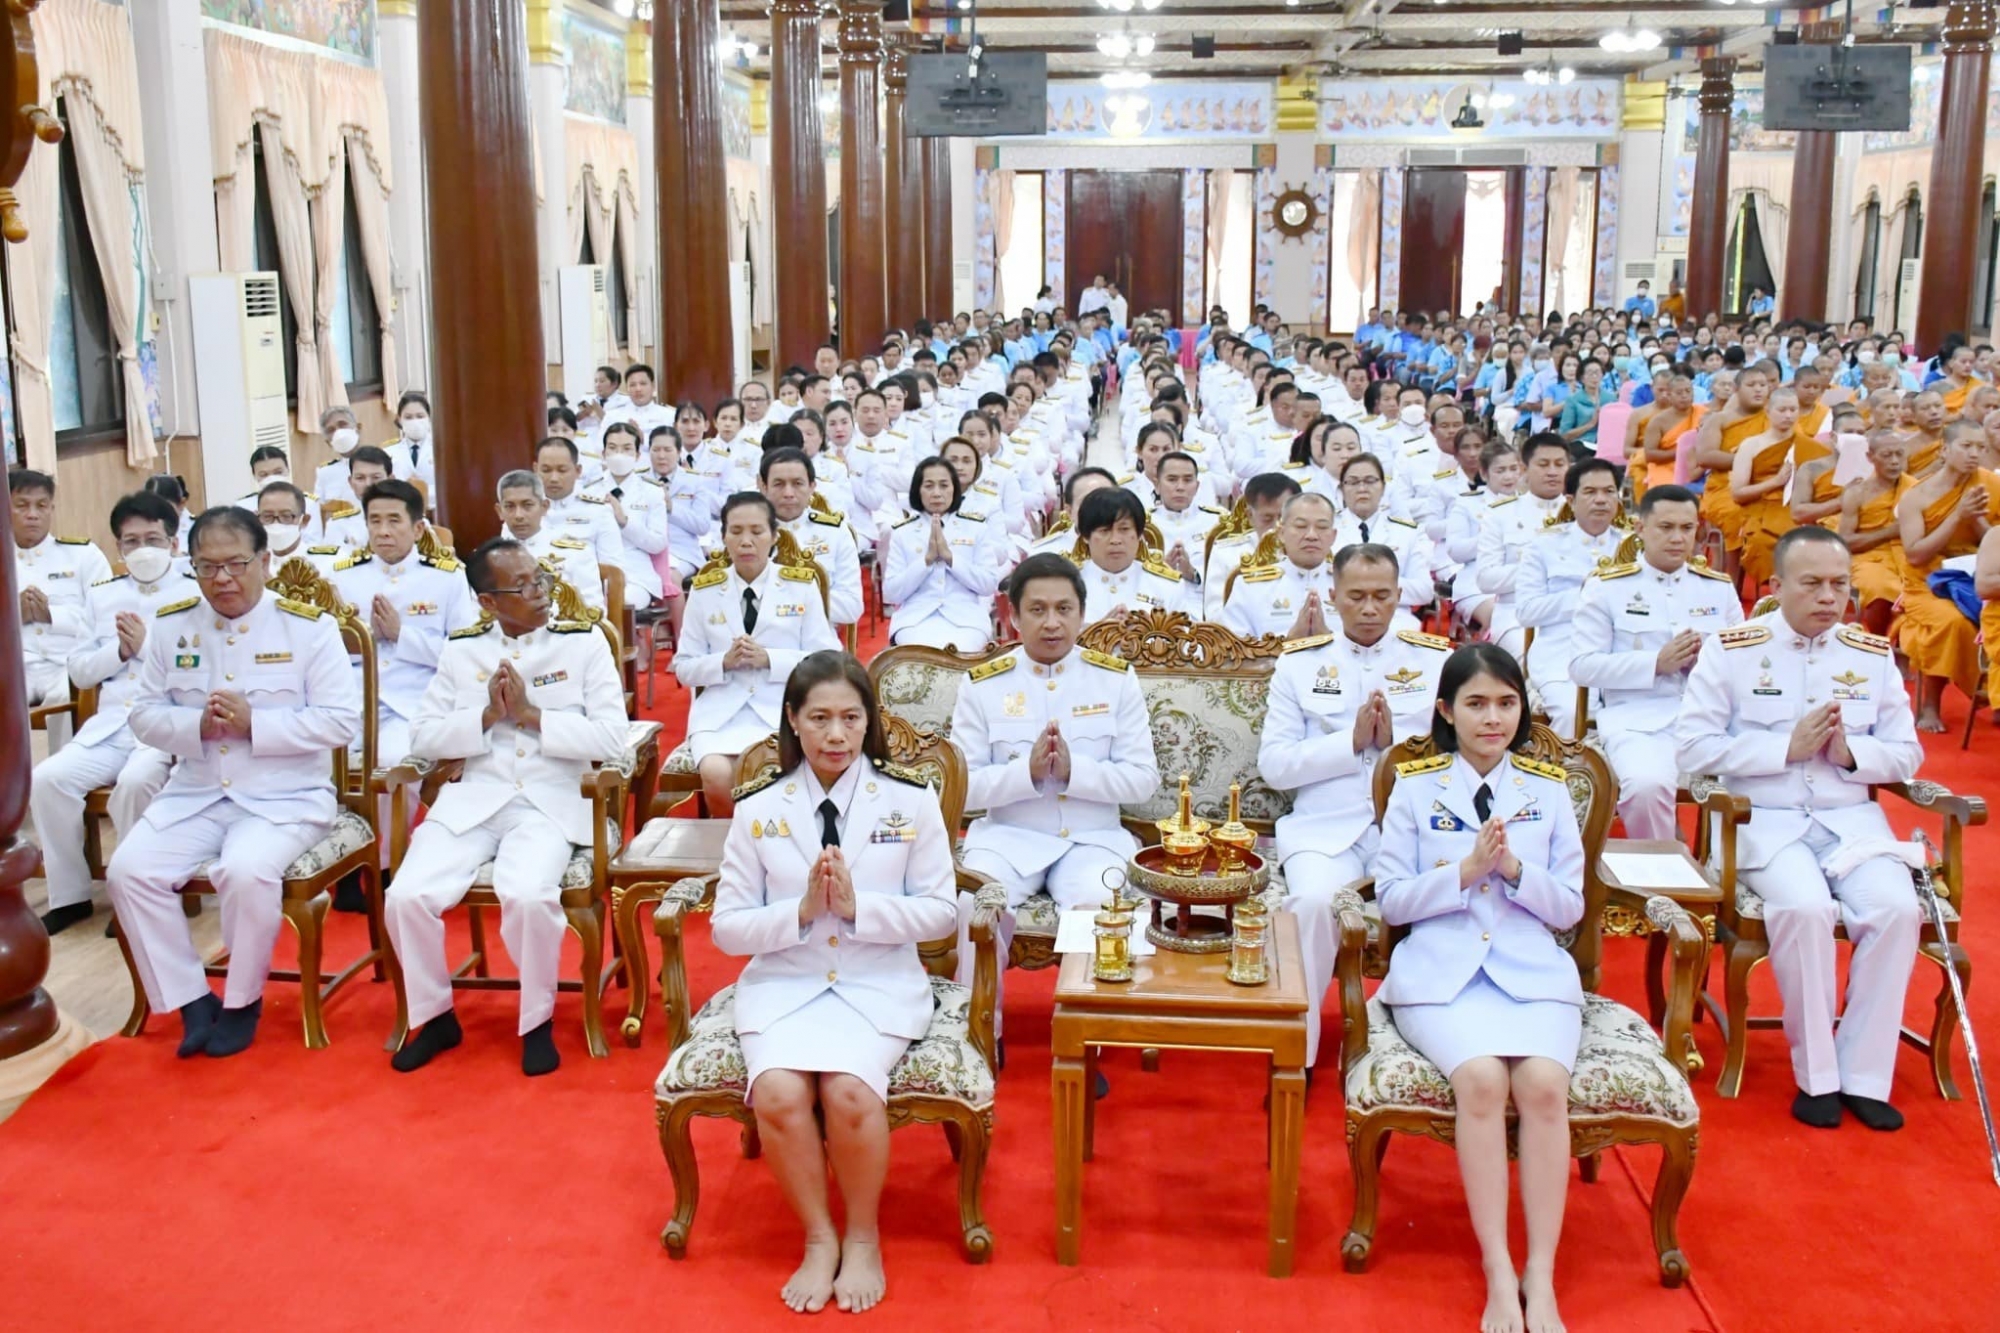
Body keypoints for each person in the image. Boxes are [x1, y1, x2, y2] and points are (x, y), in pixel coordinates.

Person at [715, 651, 959, 1315]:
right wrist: (797, 913)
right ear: (793, 721)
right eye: (819, 717)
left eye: (851, 717)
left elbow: (942, 911)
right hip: (786, 983)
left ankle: (862, 1233)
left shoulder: (910, 801)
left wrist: (859, 909)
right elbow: (728, 928)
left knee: (850, 1090)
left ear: (868, 722)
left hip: (876, 981)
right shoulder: (758, 809)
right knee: (778, 1091)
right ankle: (819, 1235)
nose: (835, 734)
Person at [1676, 525, 1923, 1130]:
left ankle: (1864, 1075)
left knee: (1897, 910)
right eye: (1811, 583)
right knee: (1806, 911)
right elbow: (1692, 749)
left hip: (1850, 821)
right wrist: (1781, 748)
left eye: (1839, 584)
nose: (1827, 597)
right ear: (1777, 584)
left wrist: (1850, 756)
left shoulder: (1870, 655)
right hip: (1767, 822)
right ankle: (1819, 1076)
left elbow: (1907, 754)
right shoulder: (1732, 649)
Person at [1376, 642, 1585, 1333]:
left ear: (1521, 710)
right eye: (1476, 703)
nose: (1492, 718)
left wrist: (1517, 869)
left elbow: (1570, 909)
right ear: (1446, 710)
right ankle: (1499, 1268)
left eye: (1506, 703)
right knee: (1483, 1082)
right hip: (1444, 976)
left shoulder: (1548, 791)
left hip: (1531, 974)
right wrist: (1465, 871)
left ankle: (1541, 1274)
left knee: (1545, 1088)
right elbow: (1393, 902)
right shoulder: (1415, 787)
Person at [104, 506, 361, 1057]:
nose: (221, 579)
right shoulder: (173, 627)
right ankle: (193, 1000)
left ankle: (242, 1002)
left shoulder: (308, 628)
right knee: (129, 871)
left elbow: (341, 722)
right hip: (196, 792)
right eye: (206, 567)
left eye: (235, 564)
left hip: (283, 797)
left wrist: (256, 724)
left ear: (265, 561)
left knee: (245, 871)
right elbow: (143, 715)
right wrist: (193, 724)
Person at [383, 538, 629, 1077]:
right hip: (473, 799)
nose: (541, 593)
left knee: (528, 894)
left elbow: (614, 739)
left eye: (539, 579)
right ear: (488, 603)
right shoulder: (462, 650)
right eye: (523, 587)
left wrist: (532, 715)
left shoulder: (583, 644)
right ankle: (435, 1015)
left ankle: (536, 1020)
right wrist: (488, 719)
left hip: (549, 800)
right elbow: (422, 736)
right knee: (405, 896)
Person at [1257, 543, 1449, 1065]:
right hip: (1324, 829)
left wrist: (1392, 750)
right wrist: (1350, 743)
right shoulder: (1298, 666)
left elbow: (1459, 760)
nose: (1369, 609)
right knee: (1314, 904)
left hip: (1412, 829)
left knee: (1450, 906)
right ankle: (1298, 1050)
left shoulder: (1436, 663)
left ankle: (1429, 1045)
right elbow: (1274, 765)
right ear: (1334, 596)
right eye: (1357, 596)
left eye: (1382, 596)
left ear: (1399, 597)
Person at [949, 554, 1159, 977]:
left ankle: (1092, 1037)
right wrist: (1023, 775)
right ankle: (977, 1031)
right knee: (972, 903)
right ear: (1013, 615)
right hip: (1007, 840)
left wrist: (1073, 773)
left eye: (1064, 609)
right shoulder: (983, 685)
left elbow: (1143, 780)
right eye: (1037, 610)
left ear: (1082, 613)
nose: (1051, 623)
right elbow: (962, 787)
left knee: (1106, 907)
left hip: (1092, 840)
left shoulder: (1115, 680)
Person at [29, 491, 198, 933]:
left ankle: (140, 894)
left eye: (153, 539)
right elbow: (81, 671)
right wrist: (121, 651)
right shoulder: (104, 596)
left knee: (135, 784)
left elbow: (200, 673)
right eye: (130, 542)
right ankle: (71, 896)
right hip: (109, 727)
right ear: (118, 548)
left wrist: (144, 648)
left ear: (174, 543)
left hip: (164, 723)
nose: (142, 550)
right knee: (48, 780)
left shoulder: (195, 594)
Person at [1568, 485, 1741, 839]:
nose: (1678, 538)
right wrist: (1654, 664)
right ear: (1640, 527)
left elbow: (1745, 662)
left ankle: (1725, 873)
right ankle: (1662, 873)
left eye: (1687, 528)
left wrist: (1709, 665)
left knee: (1765, 780)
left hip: (1711, 718)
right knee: (1645, 787)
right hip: (1637, 719)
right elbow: (1582, 666)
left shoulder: (1718, 588)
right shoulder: (1607, 587)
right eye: (1665, 527)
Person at [675, 493, 841, 814]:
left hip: (781, 709)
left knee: (779, 776)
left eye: (756, 531)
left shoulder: (800, 586)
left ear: (774, 537)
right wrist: (723, 662)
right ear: (723, 536)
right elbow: (684, 668)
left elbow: (826, 659)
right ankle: (732, 849)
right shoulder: (704, 589)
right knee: (717, 774)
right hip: (720, 715)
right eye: (735, 532)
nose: (746, 542)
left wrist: (771, 659)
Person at [329, 476, 480, 785]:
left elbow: (467, 655)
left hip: (413, 705)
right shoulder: (342, 577)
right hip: (352, 702)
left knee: (392, 765)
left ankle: (395, 835)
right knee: (317, 761)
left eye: (394, 521)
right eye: (375, 521)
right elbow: (325, 653)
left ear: (418, 528)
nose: (383, 531)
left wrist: (402, 636)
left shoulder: (446, 578)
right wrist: (366, 637)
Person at [1893, 419, 1998, 730]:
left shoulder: (1991, 485)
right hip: (1928, 582)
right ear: (1945, 449)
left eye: (1980, 447)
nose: (1974, 454)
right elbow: (1915, 554)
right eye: (1966, 446)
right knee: (1949, 622)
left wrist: (1977, 521)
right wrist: (1958, 516)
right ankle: (1929, 707)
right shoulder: (1917, 496)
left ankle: (1996, 696)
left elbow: (1997, 541)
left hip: (1980, 575)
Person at [1516, 457, 1624, 738]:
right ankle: (1567, 779)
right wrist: (1588, 596)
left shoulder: (1635, 547)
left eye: (1609, 491)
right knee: (1571, 711)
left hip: (1622, 650)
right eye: (1590, 492)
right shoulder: (1543, 546)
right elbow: (1526, 611)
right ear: (1571, 500)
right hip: (1562, 652)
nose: (1601, 500)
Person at [11, 469, 111, 751]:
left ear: (52, 508)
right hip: (17, 666)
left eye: (41, 506)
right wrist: (13, 617)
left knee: (62, 697)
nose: (32, 514)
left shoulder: (82, 555)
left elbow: (104, 619)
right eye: (22, 505)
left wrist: (51, 615)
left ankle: (60, 768)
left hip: (67, 664)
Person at [882, 456, 1003, 650]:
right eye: (929, 486)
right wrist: (927, 560)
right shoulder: (902, 532)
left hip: (966, 619)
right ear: (917, 491)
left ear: (954, 489)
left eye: (944, 485)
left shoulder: (975, 527)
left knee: (962, 648)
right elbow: (892, 593)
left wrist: (950, 558)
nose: (937, 493)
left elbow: (988, 584)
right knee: (920, 650)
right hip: (915, 619)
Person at [1475, 434, 1572, 657]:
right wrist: (1538, 569)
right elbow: (1486, 579)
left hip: (1574, 614)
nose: (1552, 472)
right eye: (1543, 464)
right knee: (1533, 654)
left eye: (1560, 464)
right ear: (1524, 468)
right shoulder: (1501, 513)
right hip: (1516, 615)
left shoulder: (1581, 514)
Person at [762, 447, 864, 630]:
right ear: (763, 487)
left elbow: (851, 607)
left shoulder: (835, 531)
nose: (788, 493)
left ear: (812, 487)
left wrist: (792, 595)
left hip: (817, 640)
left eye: (797, 483)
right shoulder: (747, 531)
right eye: (778, 484)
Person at [1329, 453, 1434, 630]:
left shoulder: (1408, 533)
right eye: (1353, 482)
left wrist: (1369, 584)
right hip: (1338, 618)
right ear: (1341, 490)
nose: (1362, 488)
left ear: (1384, 488)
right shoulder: (1327, 530)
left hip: (1396, 619)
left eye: (1370, 481)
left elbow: (1424, 591)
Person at [1069, 485, 1199, 622]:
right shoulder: (1065, 584)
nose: (1115, 540)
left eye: (1124, 529)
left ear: (1139, 534)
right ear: (1085, 536)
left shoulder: (1167, 586)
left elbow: (1183, 639)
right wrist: (1097, 633)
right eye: (1104, 531)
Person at [1222, 491, 1339, 640]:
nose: (1311, 535)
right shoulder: (1249, 587)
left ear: (1334, 536)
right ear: (1282, 533)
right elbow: (1232, 653)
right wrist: (1291, 640)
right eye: (1301, 526)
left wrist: (1327, 638)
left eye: (1322, 527)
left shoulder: (1350, 586)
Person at [581, 421, 670, 605]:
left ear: (637, 455)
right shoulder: (589, 491)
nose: (619, 454)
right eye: (613, 448)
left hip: (636, 575)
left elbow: (658, 543)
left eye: (627, 448)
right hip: (594, 571)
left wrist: (625, 522)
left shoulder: (651, 491)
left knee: (620, 601)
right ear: (604, 453)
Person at [1730, 385, 1807, 594]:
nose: (1788, 415)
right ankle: (1778, 595)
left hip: (1795, 508)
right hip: (1760, 509)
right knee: (1764, 543)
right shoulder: (1751, 445)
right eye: (1782, 410)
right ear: (1768, 411)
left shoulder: (1806, 444)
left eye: (1793, 410)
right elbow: (1738, 493)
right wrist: (1775, 482)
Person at [495, 469, 606, 613]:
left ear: (544, 507)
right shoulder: (489, 559)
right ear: (499, 511)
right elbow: (477, 615)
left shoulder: (575, 553)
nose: (518, 515)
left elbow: (593, 612)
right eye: (510, 506)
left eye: (527, 505)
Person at [1204, 472, 1301, 620]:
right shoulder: (1226, 554)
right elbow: (1214, 615)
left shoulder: (1311, 551)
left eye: (1283, 518)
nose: (1276, 526)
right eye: (1267, 518)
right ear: (1250, 515)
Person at [537, 437, 625, 573]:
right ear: (535, 469)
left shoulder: (598, 511)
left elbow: (613, 570)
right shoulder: (523, 509)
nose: (553, 478)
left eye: (562, 470)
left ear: (578, 471)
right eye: (546, 470)